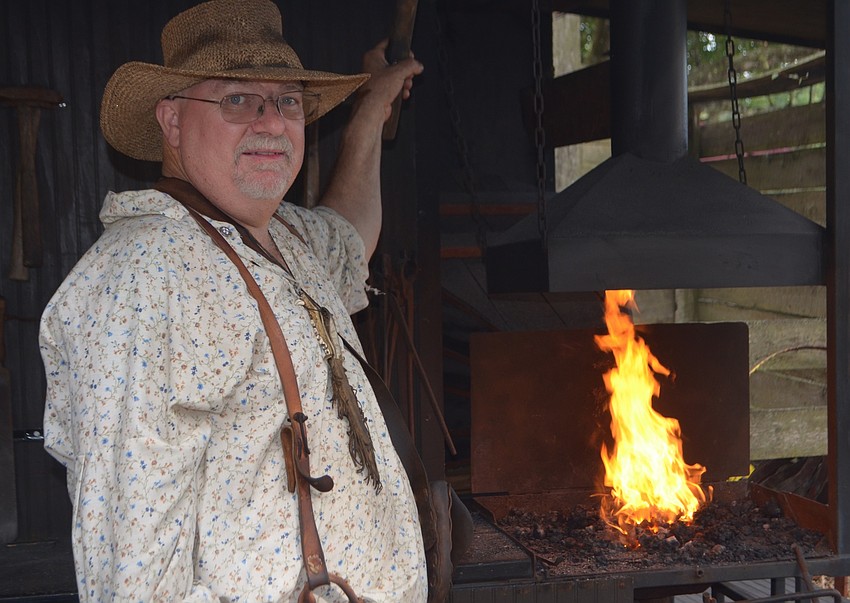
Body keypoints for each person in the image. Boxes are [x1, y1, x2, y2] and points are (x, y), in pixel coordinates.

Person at [38, 0, 426, 601]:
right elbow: (131, 578)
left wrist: (370, 111)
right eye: (237, 99)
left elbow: (349, 233)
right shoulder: (148, 275)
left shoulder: (283, 240)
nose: (270, 121)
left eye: (287, 101)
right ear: (171, 122)